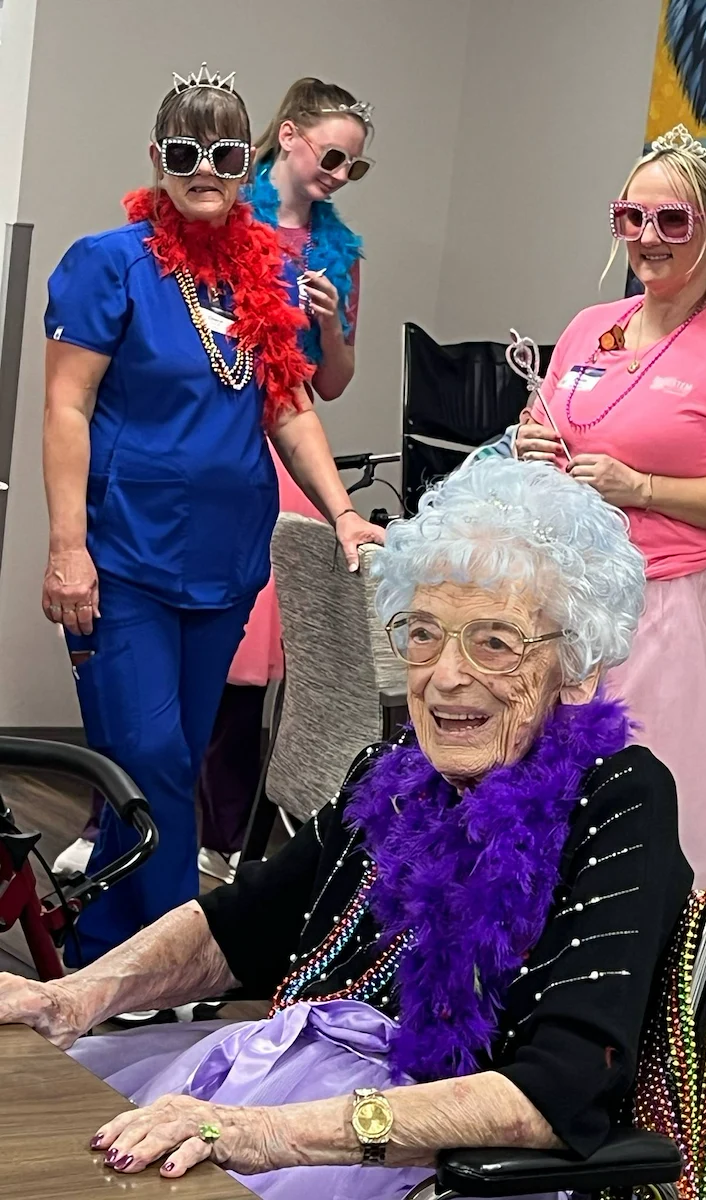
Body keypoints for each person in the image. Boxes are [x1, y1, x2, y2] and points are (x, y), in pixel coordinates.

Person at [4, 458, 692, 1199]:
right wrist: (75, 997)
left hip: (421, 1153)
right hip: (279, 1073)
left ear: (578, 669)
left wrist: (259, 1132)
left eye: (494, 643)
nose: (446, 675)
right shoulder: (393, 771)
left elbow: (554, 1094)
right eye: (425, 634)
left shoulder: (620, 797)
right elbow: (237, 926)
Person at [42, 62, 384, 969]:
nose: (205, 168)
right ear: (158, 158)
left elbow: (291, 404)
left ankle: (102, 944)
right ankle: (174, 958)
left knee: (168, 762)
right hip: (124, 559)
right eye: (186, 152)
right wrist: (67, 548)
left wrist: (343, 512)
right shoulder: (105, 264)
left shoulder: (268, 269)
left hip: (227, 563)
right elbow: (66, 410)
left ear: (247, 160)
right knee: (149, 753)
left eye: (223, 153)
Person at [513, 123, 706, 888]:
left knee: (653, 835)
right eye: (631, 217)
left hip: (668, 614)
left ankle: (644, 996)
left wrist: (644, 489)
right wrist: (531, 445)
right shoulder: (588, 329)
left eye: (672, 220)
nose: (648, 237)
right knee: (543, 823)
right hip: (565, 604)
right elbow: (559, 426)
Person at [196, 77, 373, 883]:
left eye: (355, 167)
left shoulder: (341, 254)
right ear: (292, 136)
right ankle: (118, 816)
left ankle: (224, 839)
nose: (339, 174)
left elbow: (330, 385)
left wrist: (332, 322)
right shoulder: (224, 221)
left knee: (252, 666)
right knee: (176, 645)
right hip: (216, 444)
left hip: (293, 455)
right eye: (333, 155)